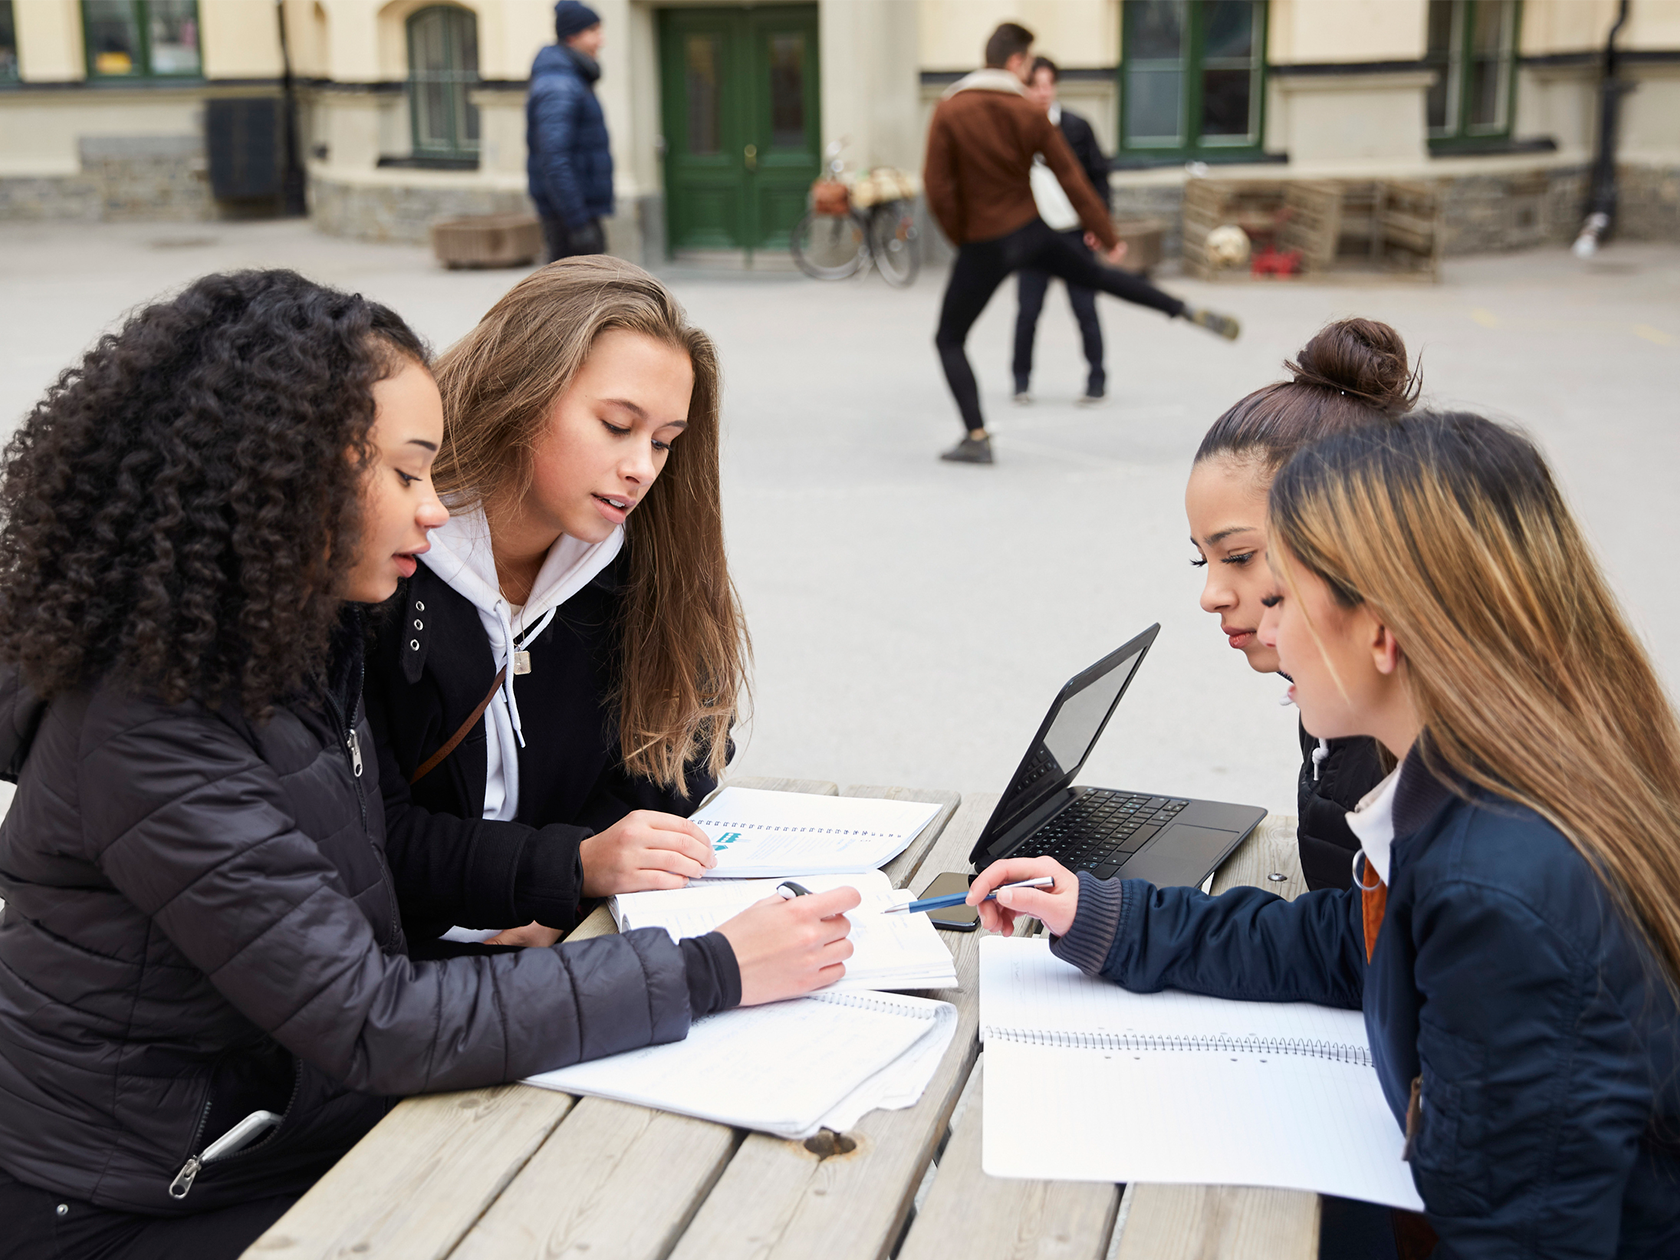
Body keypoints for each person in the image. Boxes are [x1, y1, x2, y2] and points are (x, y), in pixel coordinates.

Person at [0, 270, 857, 1259]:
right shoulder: (155, 727)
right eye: (407, 474)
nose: (434, 510)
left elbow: (369, 891)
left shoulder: (283, 655)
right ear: (283, 476)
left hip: (281, 1115)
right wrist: (709, 967)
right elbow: (374, 1017)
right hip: (149, 1195)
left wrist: (567, 894)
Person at [972, 411, 1680, 1257]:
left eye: (1287, 598)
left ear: (1380, 633)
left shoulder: (1499, 889)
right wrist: (1112, 918)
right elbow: (1351, 945)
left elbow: (1518, 1239)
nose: (1267, 630)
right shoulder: (1476, 790)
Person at [365, 256, 748, 952]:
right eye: (616, 425)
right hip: (394, 968)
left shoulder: (640, 557)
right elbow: (367, 827)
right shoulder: (379, 562)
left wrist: (561, 899)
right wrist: (563, 870)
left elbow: (683, 749)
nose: (643, 467)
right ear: (521, 391)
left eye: (664, 442)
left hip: (568, 937)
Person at [923, 21, 1239, 466]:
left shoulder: (950, 109)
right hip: (1032, 230)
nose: (1029, 73)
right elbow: (1073, 177)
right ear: (1015, 61)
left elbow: (937, 188)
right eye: (1029, 64)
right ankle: (1180, 308)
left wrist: (963, 239)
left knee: (950, 337)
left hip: (984, 242)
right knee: (1098, 277)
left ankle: (976, 436)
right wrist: (1107, 236)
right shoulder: (1028, 112)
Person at [1187, 318, 1416, 891]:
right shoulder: (1331, 684)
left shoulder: (1419, 742)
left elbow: (1356, 953)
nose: (1210, 596)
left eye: (1239, 556)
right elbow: (1344, 935)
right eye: (1202, 560)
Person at [1012, 56, 1110, 406]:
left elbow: (1099, 177)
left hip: (1073, 235)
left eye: (1048, 84)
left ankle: (1097, 379)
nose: (1042, 92)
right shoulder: (1016, 129)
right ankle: (1020, 380)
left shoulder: (1076, 127)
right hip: (1032, 237)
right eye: (1035, 85)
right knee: (1027, 312)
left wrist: (1099, 226)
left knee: (1085, 309)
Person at [528, 1, 612, 264]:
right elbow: (554, 158)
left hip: (578, 211)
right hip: (569, 216)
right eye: (594, 31)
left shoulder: (570, 78)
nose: (601, 40)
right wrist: (578, 223)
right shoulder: (559, 84)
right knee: (573, 299)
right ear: (572, 36)